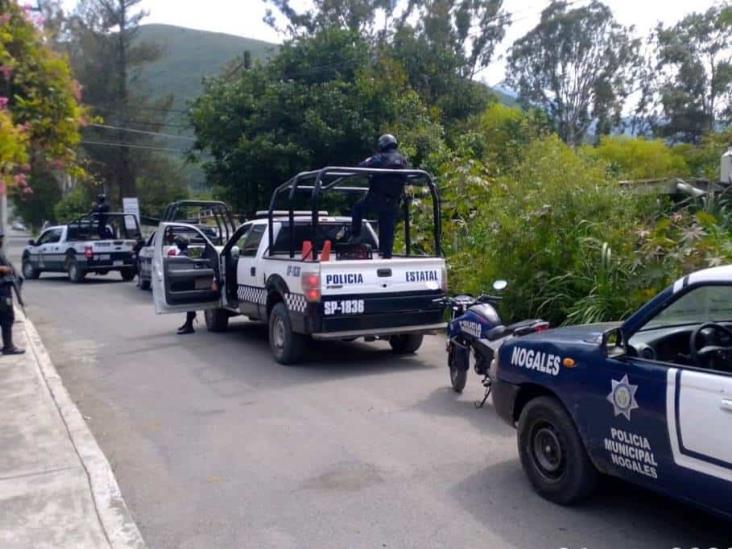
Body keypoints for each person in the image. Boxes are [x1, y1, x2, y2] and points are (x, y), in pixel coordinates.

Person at [350, 134, 408, 259]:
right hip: (393, 202)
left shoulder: (379, 158)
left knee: (357, 208)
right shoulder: (402, 160)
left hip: (376, 199)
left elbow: (360, 168)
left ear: (382, 145)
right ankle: (386, 254)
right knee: (387, 227)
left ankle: (355, 235)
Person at [0, 230, 24, 355]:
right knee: (7, 318)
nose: (2, 241)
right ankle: (8, 347)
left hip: (4, 290)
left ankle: (7, 345)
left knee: (7, 319)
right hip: (2, 293)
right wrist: (3, 269)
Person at [173, 235, 197, 335]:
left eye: (178, 244)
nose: (177, 246)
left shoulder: (185, 253)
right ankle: (188, 323)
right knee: (188, 305)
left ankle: (189, 325)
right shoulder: (189, 252)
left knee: (189, 304)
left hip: (188, 281)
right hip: (188, 280)